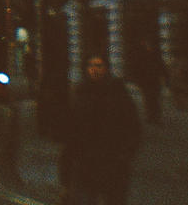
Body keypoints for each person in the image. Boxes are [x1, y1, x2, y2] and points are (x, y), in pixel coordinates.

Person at [60, 55, 141, 205]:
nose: (94, 69)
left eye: (98, 65)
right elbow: (72, 132)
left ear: (106, 68)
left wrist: (126, 153)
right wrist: (66, 168)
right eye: (91, 65)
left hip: (113, 161)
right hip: (86, 161)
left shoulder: (117, 92)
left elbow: (133, 125)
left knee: (113, 199)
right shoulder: (81, 92)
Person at [129, 40, 167, 124]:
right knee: (148, 99)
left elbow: (161, 66)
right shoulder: (141, 56)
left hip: (155, 81)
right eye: (146, 44)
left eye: (149, 44)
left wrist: (164, 77)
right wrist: (138, 80)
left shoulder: (155, 56)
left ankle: (156, 116)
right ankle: (151, 116)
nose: (148, 46)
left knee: (155, 99)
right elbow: (136, 69)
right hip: (146, 82)